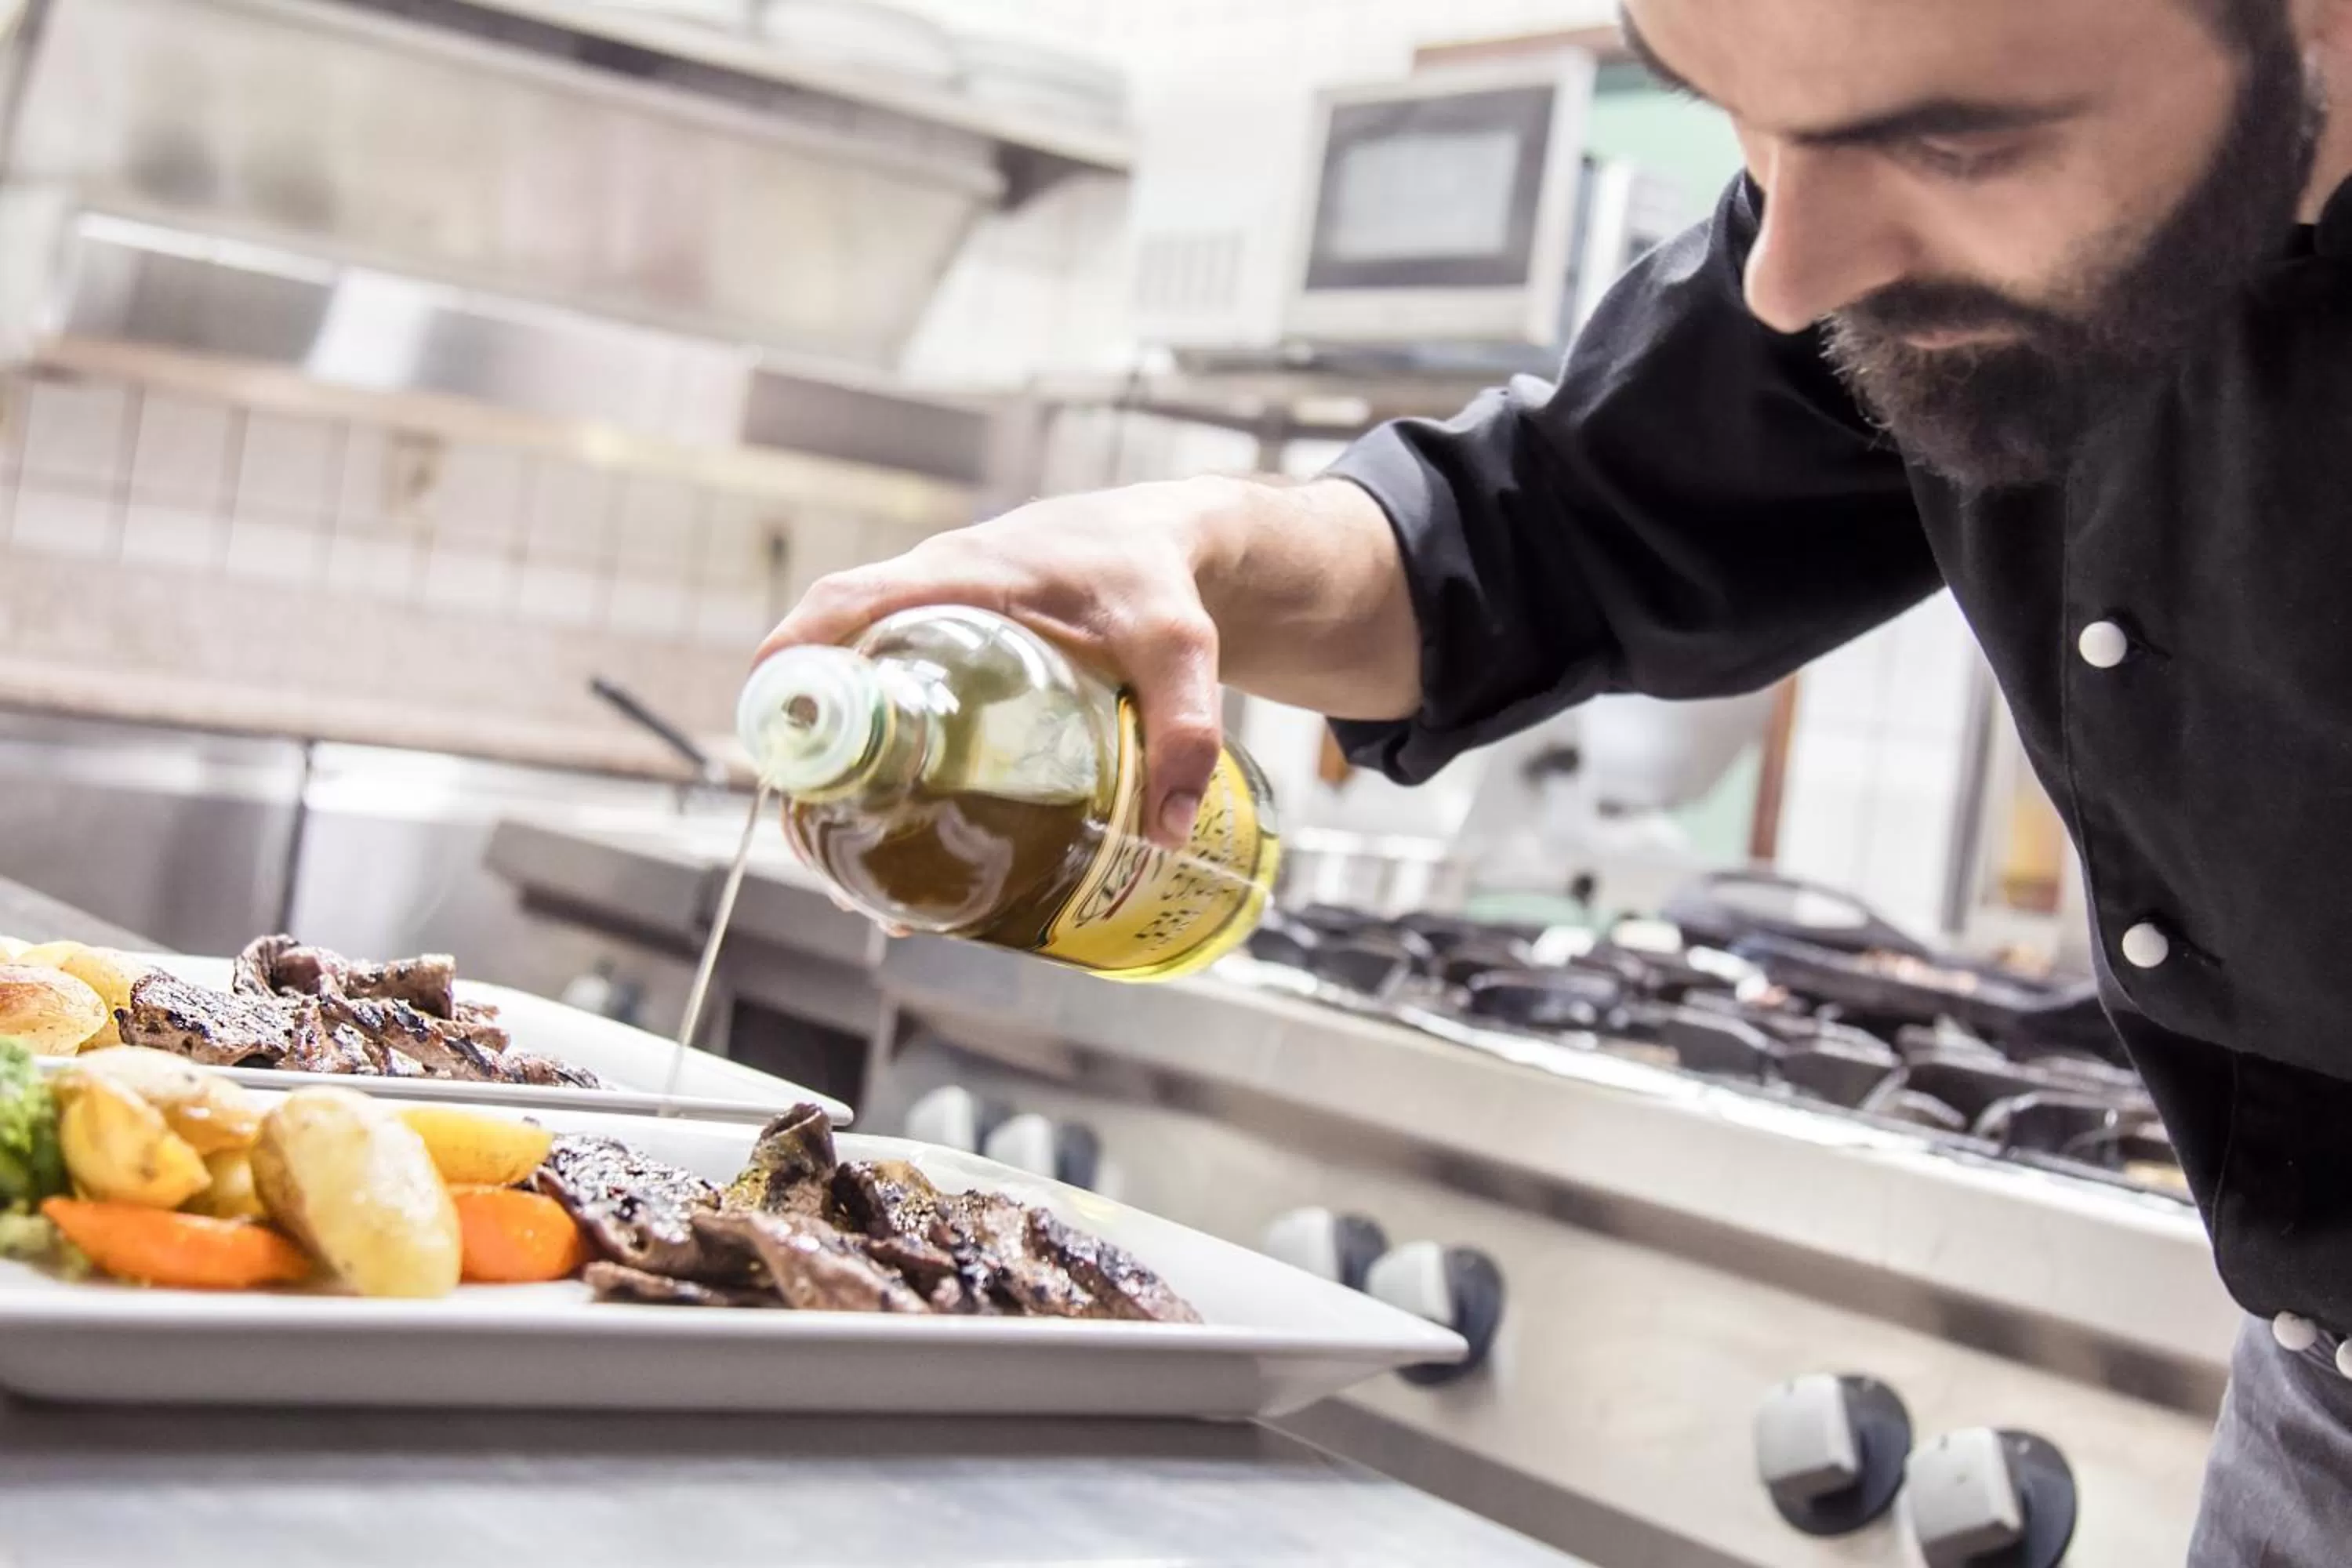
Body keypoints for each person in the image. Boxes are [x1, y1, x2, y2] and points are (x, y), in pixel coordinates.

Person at [760, 0, 2352, 1556]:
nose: (1791, 276)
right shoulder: (1895, 202)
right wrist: (1196, 549)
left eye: (1952, 146)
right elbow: (1544, 526)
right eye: (1748, 126)